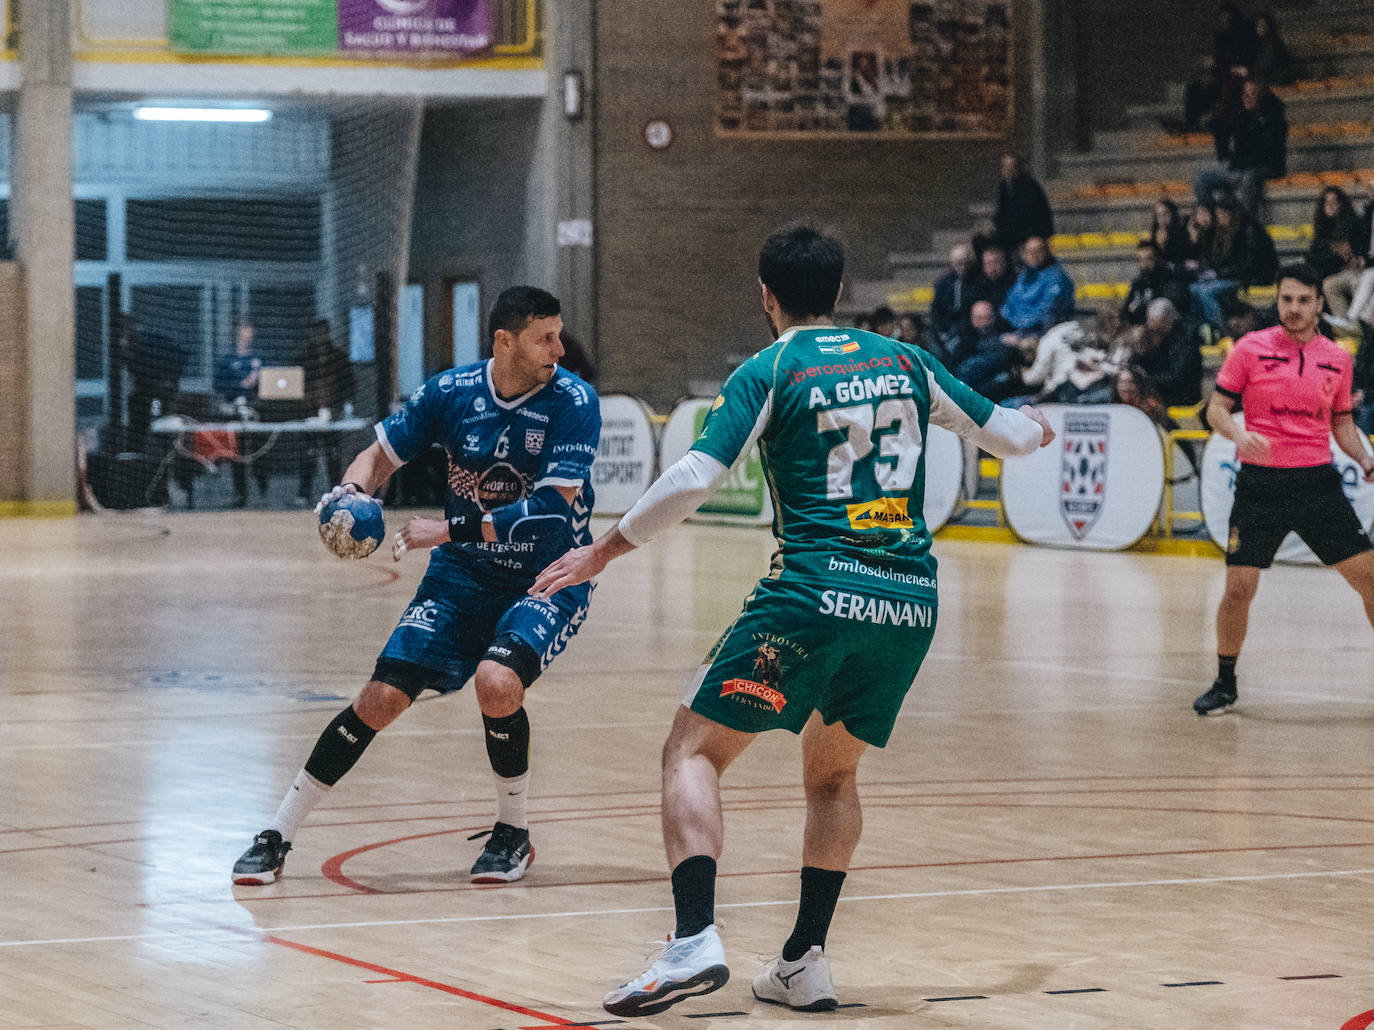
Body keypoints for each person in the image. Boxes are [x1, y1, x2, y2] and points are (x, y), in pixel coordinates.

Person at [529, 224, 1054, 1017]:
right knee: (834, 773)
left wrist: (605, 551)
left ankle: (693, 939)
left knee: (691, 752)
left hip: (811, 592)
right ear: (839, 293)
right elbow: (1013, 436)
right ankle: (805, 961)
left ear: (766, 296)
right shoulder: (907, 361)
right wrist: (1038, 425)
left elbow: (694, 477)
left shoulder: (771, 367)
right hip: (907, 602)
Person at [231, 286, 601, 885]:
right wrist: (351, 492)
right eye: (545, 337)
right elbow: (377, 457)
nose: (560, 348)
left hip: (548, 575)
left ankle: (513, 833)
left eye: (559, 334)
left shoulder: (573, 401)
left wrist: (447, 529)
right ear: (504, 342)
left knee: (497, 682)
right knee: (380, 698)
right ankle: (278, 833)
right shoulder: (450, 392)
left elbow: (551, 513)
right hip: (463, 575)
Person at [1193, 263, 1374, 715]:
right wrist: (1236, 435)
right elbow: (1216, 408)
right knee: (1239, 589)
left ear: (1319, 304)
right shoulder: (1249, 350)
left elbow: (1341, 422)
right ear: (1278, 301)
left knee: (1370, 581)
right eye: (1286, 299)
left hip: (1318, 484)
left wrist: (1364, 457)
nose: (1293, 309)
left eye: (1303, 300)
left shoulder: (1338, 358)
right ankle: (1225, 682)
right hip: (1260, 485)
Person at [1194, 76, 1287, 218]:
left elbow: (1267, 153)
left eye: (1252, 94)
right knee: (1203, 178)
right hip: (1242, 166)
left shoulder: (1275, 119)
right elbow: (1237, 149)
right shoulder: (1242, 116)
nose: (1247, 98)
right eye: (1245, 94)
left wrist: (1241, 167)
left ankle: (1247, 223)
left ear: (1261, 96)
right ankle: (1208, 222)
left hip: (1267, 166)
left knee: (1249, 177)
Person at [297, 318, 356, 504]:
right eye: (315, 333)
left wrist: (346, 405)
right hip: (310, 413)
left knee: (333, 454)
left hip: (333, 413)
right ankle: (304, 493)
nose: (319, 337)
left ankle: (335, 491)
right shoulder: (304, 357)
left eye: (322, 332)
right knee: (308, 453)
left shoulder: (338, 357)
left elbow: (349, 383)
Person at [212, 321, 270, 507]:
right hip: (234, 413)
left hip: (257, 412)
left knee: (259, 452)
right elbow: (218, 384)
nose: (246, 339)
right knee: (238, 454)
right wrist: (240, 386)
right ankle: (240, 494)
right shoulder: (227, 360)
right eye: (242, 335)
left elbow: (274, 382)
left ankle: (263, 491)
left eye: (249, 335)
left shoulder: (259, 359)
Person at [1000, 235, 1075, 347]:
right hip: (1021, 331)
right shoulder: (1024, 276)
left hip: (1047, 333)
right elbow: (1010, 303)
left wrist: (1022, 337)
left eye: (1038, 251)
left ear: (1046, 252)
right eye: (1029, 252)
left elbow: (1048, 311)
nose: (1034, 255)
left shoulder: (1056, 277)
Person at [992, 152, 1054, 252]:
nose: (1007, 171)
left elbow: (1030, 217)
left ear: (1018, 169)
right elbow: (1000, 213)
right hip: (1010, 231)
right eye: (1004, 167)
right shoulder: (1003, 187)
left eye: (1011, 167)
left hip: (1030, 232)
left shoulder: (1030, 187)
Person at [929, 242, 979, 359]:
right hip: (947, 324)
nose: (961, 265)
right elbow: (936, 308)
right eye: (957, 262)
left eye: (964, 261)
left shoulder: (977, 281)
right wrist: (941, 331)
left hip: (967, 325)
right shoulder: (943, 282)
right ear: (952, 262)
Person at [1122, 240, 1190, 326]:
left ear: (1159, 259)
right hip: (1143, 330)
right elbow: (1127, 310)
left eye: (1149, 259)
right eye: (1141, 260)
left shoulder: (1171, 279)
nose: (1144, 264)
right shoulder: (1138, 283)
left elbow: (1167, 309)